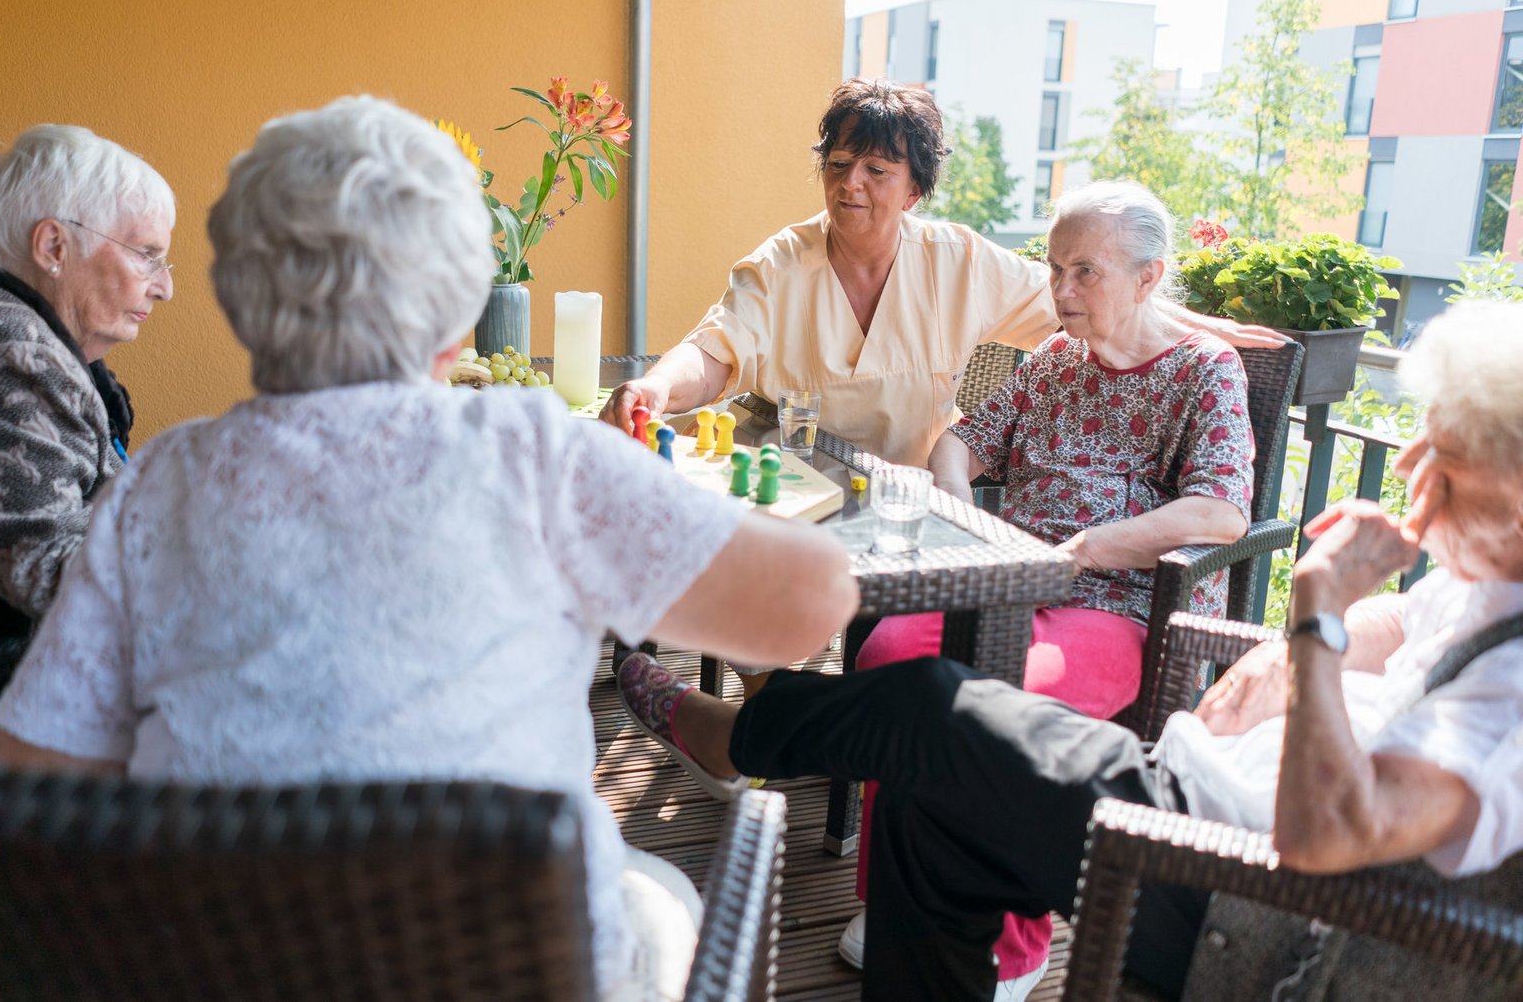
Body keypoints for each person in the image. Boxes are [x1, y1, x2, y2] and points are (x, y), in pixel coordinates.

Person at [0, 96, 859, 1002]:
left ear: (240, 293)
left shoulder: (156, 486)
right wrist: (638, 514)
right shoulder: (532, 453)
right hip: (515, 961)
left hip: (225, 962)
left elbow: (22, 784)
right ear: (454, 311)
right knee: (659, 896)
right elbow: (816, 602)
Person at [618, 299, 1523, 1001]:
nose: (1410, 472)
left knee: (931, 706)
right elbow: (1407, 626)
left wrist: (1318, 606)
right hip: (1192, 786)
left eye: (1442, 457)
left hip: (1226, 887)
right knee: (925, 811)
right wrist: (1289, 658)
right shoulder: (1493, 583)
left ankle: (738, 736)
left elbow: (1328, 831)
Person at [835, 179, 1254, 993]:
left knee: (1008, 707)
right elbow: (960, 442)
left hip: (1125, 608)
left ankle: (1011, 947)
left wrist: (1095, 548)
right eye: (1054, 268)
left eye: (1084, 272)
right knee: (888, 650)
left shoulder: (1206, 370)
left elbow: (1223, 511)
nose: (1060, 292)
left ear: (1149, 276)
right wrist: (966, 517)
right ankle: (892, 894)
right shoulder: (1055, 360)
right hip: (1012, 584)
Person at [600, 77, 1281, 469]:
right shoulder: (783, 260)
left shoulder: (957, 260)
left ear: (914, 190)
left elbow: (1086, 303)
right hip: (791, 486)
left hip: (903, 500)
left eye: (876, 170)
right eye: (838, 165)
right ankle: (764, 705)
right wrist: (655, 387)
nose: (851, 185)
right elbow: (715, 353)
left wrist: (1207, 330)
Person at [0, 124, 175, 748]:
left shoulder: (28, 349)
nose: (165, 286)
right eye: (146, 254)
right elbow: (44, 570)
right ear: (53, 246)